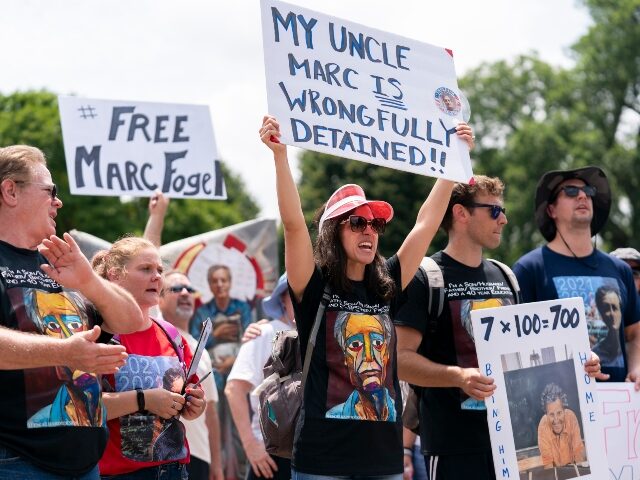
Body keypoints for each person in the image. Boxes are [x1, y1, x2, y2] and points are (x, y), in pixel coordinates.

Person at [259, 114, 474, 479]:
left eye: (375, 224)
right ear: (333, 232)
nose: (369, 231)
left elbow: (425, 223)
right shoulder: (313, 287)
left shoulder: (387, 282)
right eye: (356, 222)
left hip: (384, 463)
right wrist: (280, 157)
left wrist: (454, 161)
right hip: (321, 463)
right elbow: (294, 224)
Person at [394, 176, 606, 480]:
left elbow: (531, 356)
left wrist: (580, 363)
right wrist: (457, 376)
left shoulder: (506, 276)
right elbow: (399, 360)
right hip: (455, 449)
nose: (504, 219)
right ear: (461, 214)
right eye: (494, 211)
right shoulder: (425, 277)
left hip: (514, 446)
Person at [0, 145, 144, 478]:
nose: (58, 201)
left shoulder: (60, 263)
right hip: (17, 463)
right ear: (10, 191)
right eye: (51, 191)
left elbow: (131, 320)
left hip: (84, 465)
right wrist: (66, 352)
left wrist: (89, 280)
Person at [513, 166, 640, 384]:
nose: (582, 195)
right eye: (570, 191)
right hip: (559, 404)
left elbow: (635, 333)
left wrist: (637, 367)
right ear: (551, 210)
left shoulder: (620, 269)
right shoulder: (528, 269)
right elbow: (518, 345)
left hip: (619, 404)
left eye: (588, 191)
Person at [92, 237, 206, 479]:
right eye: (146, 269)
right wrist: (144, 399)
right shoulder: (98, 333)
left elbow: (189, 399)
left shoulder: (172, 334)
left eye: (159, 270)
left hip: (175, 471)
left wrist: (194, 404)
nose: (157, 277)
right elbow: (83, 407)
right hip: (120, 474)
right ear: (115, 275)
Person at [225, 273, 295, 480]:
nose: (302, 297)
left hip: (315, 457)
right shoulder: (264, 333)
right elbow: (234, 389)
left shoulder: (324, 336)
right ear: (282, 298)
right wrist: (250, 445)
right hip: (271, 456)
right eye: (293, 292)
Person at [159, 270, 224, 480]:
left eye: (189, 289)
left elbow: (211, 412)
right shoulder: (155, 334)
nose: (186, 293)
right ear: (158, 298)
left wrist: (217, 464)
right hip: (161, 454)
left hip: (199, 457)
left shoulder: (201, 350)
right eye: (176, 289)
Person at [537, 383, 585, 468]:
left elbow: (578, 452)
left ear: (564, 410)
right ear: (546, 415)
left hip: (574, 468)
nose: (556, 420)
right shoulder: (543, 426)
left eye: (559, 413)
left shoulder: (571, 417)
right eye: (551, 414)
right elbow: (548, 463)